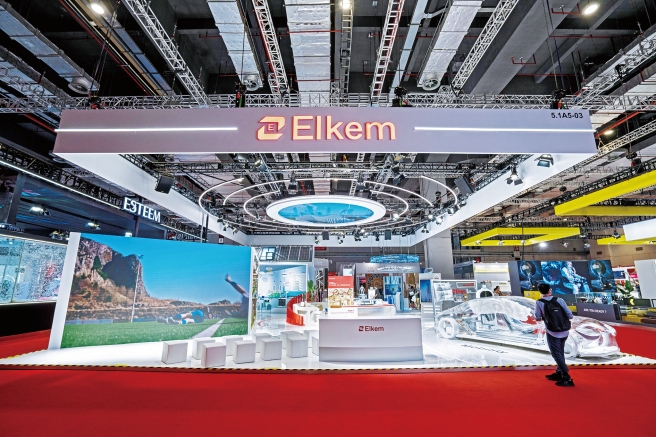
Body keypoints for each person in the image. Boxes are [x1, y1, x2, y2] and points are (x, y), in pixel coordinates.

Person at [535, 283, 575, 387]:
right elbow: (570, 315)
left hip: (552, 332)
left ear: (540, 291)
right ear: (550, 290)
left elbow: (538, 317)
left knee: (556, 354)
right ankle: (559, 373)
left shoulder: (539, 302)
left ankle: (566, 376)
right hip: (564, 330)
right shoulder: (560, 300)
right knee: (560, 352)